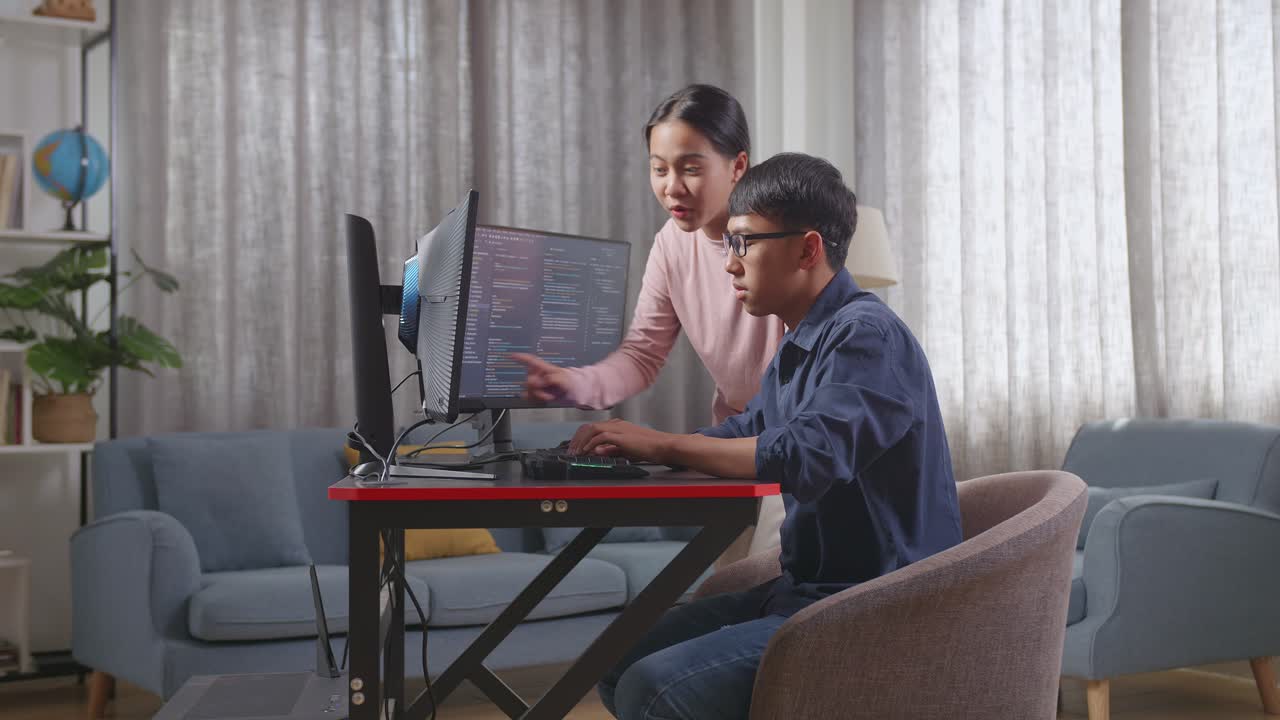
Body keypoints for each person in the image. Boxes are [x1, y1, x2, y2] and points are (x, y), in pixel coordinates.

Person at [570, 152, 963, 720]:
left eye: (743, 242)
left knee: (651, 686)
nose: (729, 264)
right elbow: (751, 429)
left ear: (807, 249)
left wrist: (660, 446)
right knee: (616, 654)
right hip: (804, 592)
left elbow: (805, 453)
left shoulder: (867, 335)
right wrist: (638, 445)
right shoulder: (798, 344)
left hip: (872, 606)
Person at [513, 84, 786, 566]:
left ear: (738, 166)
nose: (672, 187)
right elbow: (641, 355)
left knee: (754, 597)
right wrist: (572, 384)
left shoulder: (774, 238)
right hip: (731, 457)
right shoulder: (672, 245)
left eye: (691, 168)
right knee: (720, 599)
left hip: (784, 454)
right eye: (659, 169)